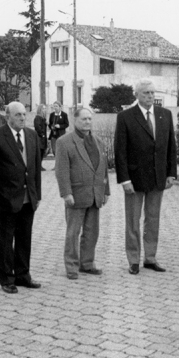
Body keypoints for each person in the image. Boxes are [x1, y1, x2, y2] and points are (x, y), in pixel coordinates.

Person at [114, 78, 177, 274]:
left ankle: (150, 258)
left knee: (153, 219)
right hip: (134, 179)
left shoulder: (165, 115)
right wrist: (125, 179)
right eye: (145, 93)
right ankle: (133, 259)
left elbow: (170, 147)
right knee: (133, 221)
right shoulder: (125, 117)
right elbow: (120, 151)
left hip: (158, 178)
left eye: (152, 93)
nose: (150, 96)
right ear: (137, 95)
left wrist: (171, 173)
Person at [0, 101, 43, 293]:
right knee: (4, 240)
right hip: (5, 198)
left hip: (28, 198)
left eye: (24, 114)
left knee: (24, 238)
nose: (22, 118)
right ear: (7, 116)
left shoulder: (32, 135)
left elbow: (35, 168)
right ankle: (6, 278)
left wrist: (37, 195)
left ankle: (23, 275)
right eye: (17, 115)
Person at [55, 107, 110, 279]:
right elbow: (61, 170)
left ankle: (87, 263)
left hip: (95, 194)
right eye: (83, 119)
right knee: (73, 232)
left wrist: (106, 190)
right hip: (76, 194)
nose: (87, 122)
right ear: (74, 121)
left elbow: (103, 167)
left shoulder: (98, 141)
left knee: (92, 232)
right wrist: (66, 193)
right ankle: (71, 266)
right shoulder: (64, 142)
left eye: (89, 119)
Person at [33, 104, 48, 170]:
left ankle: (39, 166)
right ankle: (38, 166)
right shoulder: (37, 118)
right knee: (39, 152)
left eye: (45, 108)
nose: (44, 110)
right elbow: (37, 127)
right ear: (40, 109)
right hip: (39, 138)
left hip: (43, 138)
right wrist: (42, 134)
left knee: (42, 152)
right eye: (43, 108)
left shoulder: (43, 118)